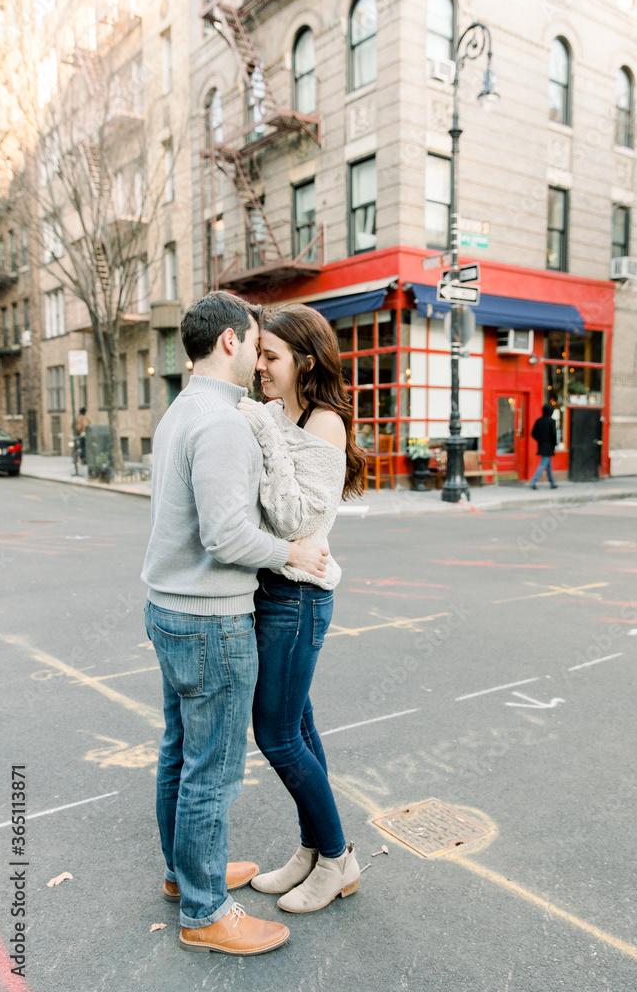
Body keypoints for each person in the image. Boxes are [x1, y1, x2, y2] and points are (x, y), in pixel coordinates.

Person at [141, 291, 329, 956]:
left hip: (169, 609)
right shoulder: (221, 424)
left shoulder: (182, 411)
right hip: (210, 621)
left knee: (180, 754)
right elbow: (226, 535)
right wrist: (292, 551)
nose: (257, 357)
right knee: (212, 772)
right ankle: (205, 911)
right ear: (229, 341)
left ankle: (183, 872)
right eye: (253, 341)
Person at [237, 304, 366, 913]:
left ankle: (338, 858)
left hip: (299, 599)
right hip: (270, 587)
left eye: (271, 356)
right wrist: (262, 425)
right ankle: (312, 851)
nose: (259, 366)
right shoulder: (272, 412)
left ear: (304, 362)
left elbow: (295, 520)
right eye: (258, 353)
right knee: (302, 729)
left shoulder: (324, 424)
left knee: (277, 734)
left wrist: (263, 432)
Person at [530, 403, 558, 489]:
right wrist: (554, 444)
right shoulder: (551, 421)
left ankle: (552, 483)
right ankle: (533, 481)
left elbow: (533, 433)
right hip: (549, 446)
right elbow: (554, 435)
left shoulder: (539, 420)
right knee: (543, 464)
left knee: (548, 465)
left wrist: (540, 440)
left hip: (542, 444)